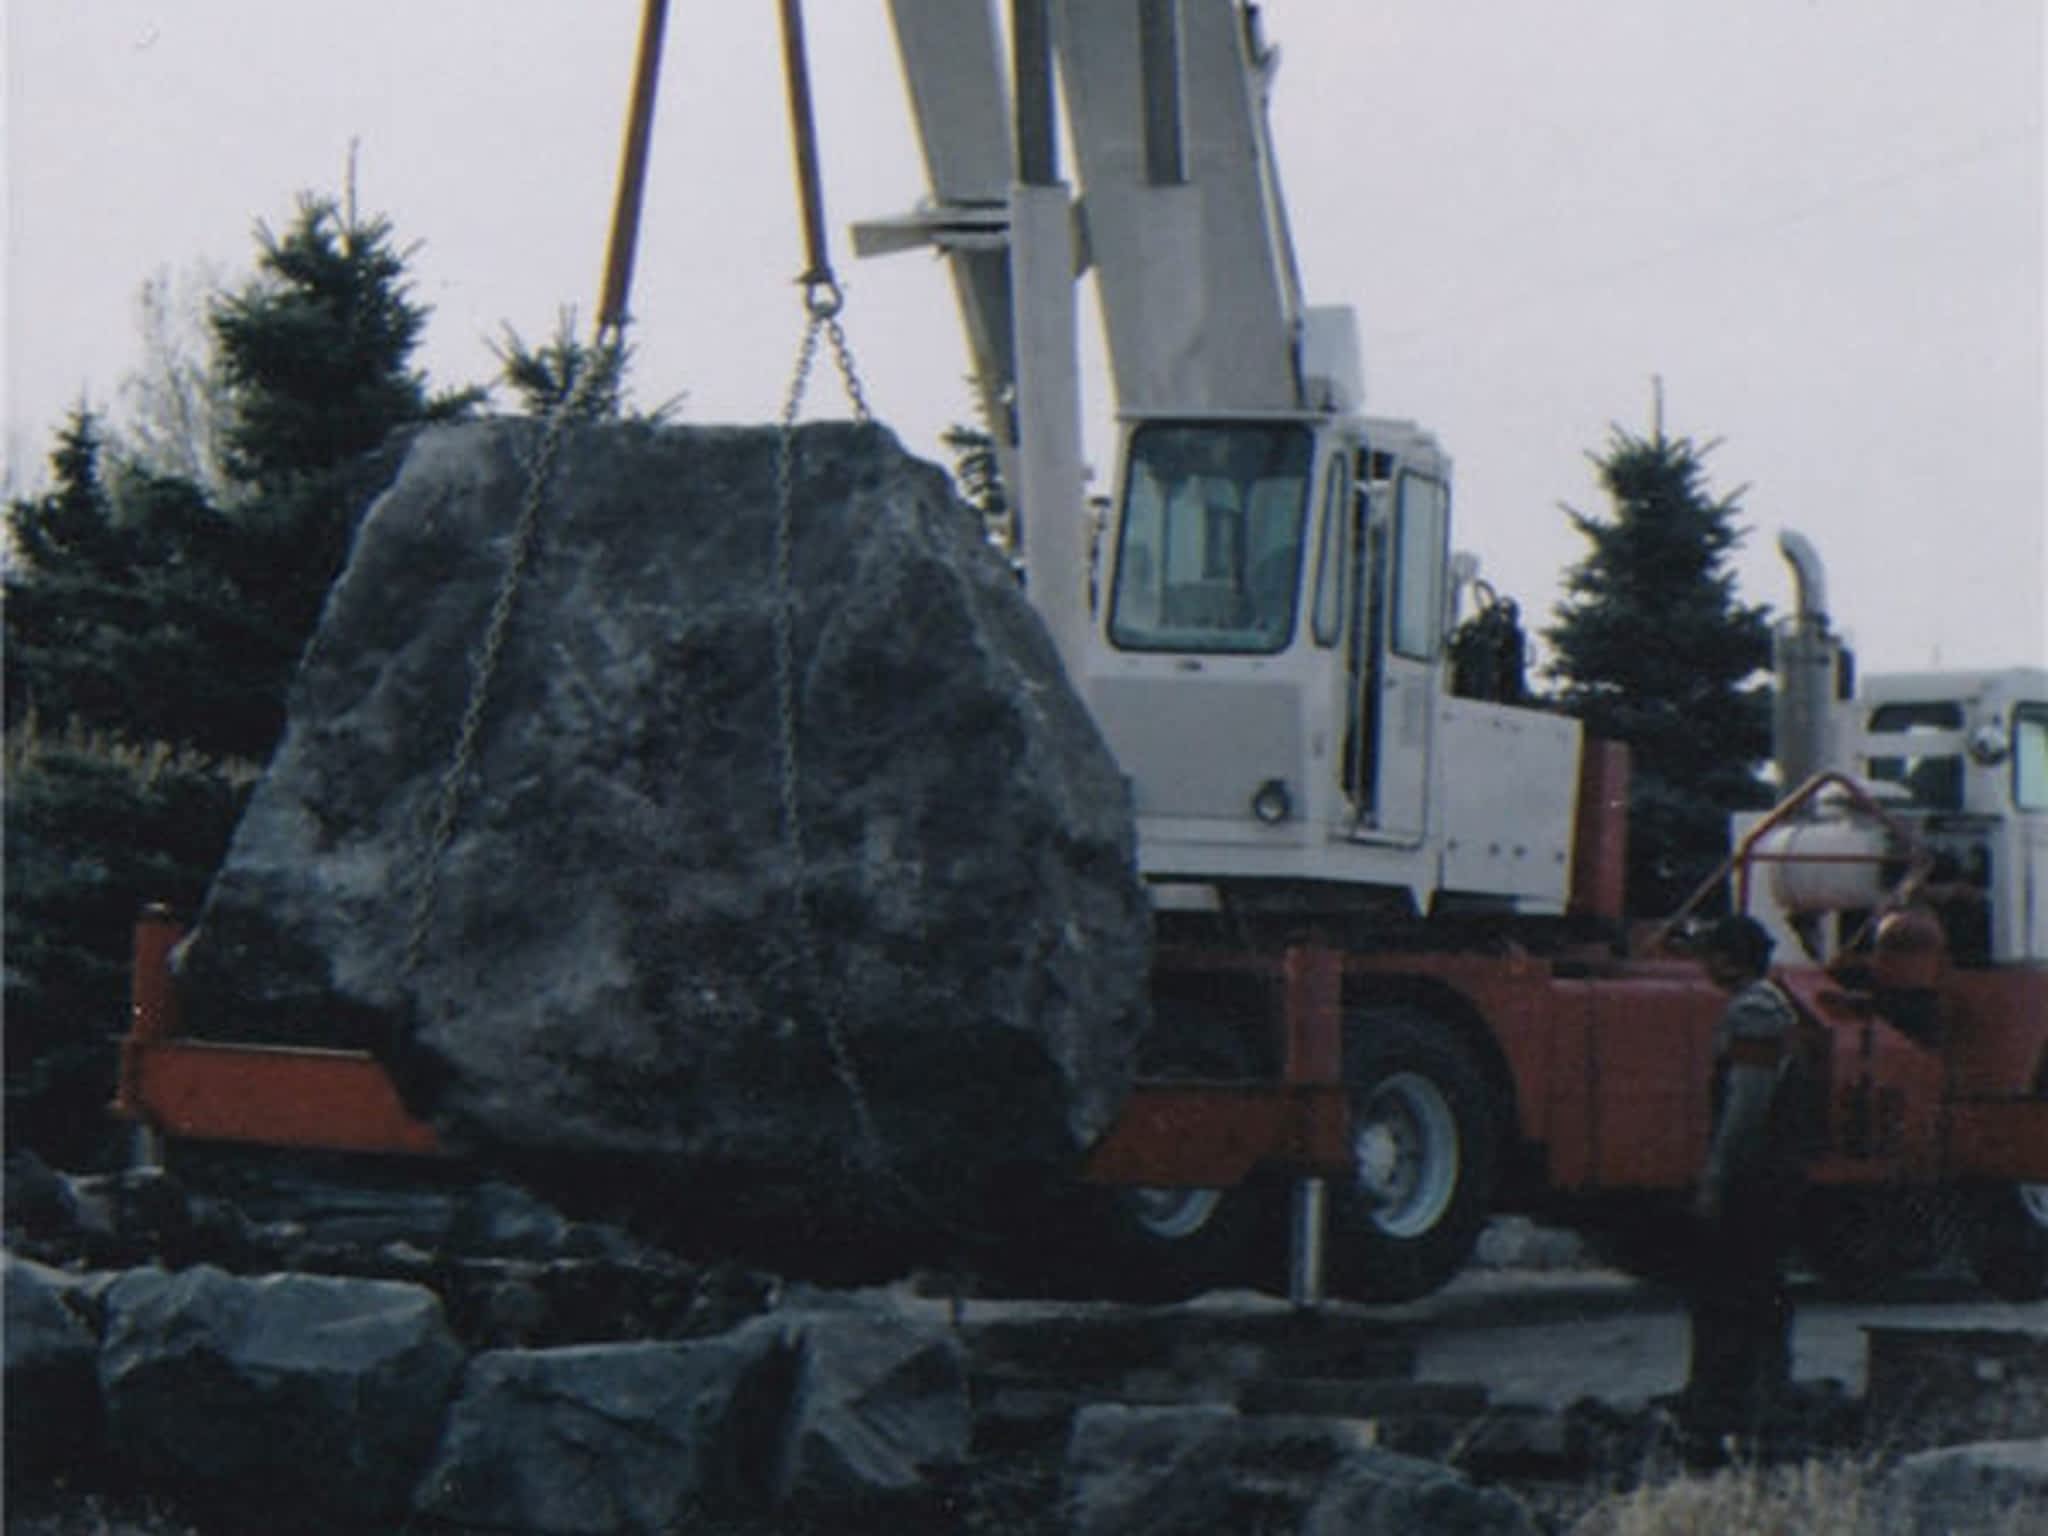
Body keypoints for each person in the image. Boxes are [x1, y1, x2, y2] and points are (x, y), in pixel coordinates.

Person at [1679, 913, 1815, 1445]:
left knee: (1732, 1289)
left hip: (1754, 1179)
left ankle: (1730, 1404)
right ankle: (1755, 1401)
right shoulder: (1767, 1004)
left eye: (1711, 953)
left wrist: (1715, 1176)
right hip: (1770, 1175)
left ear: (1731, 958)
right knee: (1755, 1288)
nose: (1703, 964)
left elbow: (1747, 1104)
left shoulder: (1755, 1011)